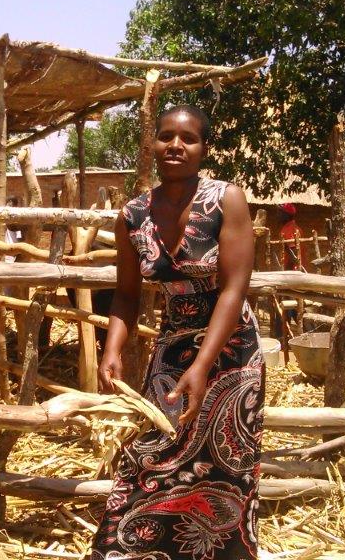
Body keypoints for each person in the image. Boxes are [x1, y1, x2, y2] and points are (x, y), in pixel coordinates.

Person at [90, 105, 264, 559]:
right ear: (152, 144)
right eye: (166, 136)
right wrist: (111, 350)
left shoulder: (227, 199)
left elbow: (234, 287)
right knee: (150, 453)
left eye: (187, 138)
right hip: (173, 346)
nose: (175, 146)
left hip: (232, 351)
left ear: (204, 148)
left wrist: (204, 364)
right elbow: (126, 295)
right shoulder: (133, 214)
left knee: (225, 468)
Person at [278, 202, 303, 271]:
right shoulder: (291, 227)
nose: (278, 215)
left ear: (287, 215)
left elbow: (293, 252)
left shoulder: (290, 229)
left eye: (280, 213)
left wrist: (287, 271)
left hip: (293, 271)